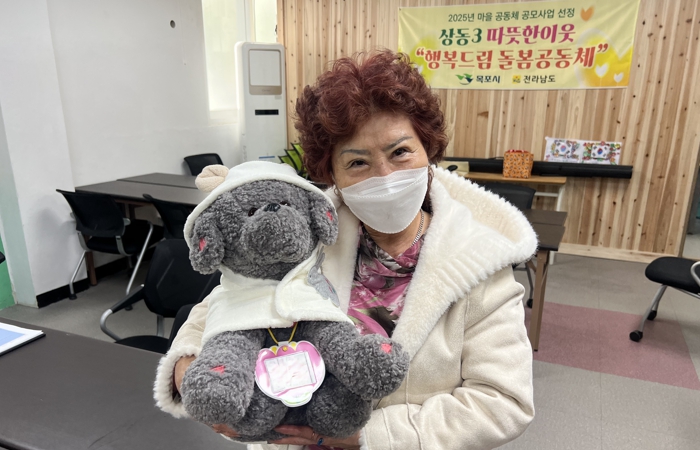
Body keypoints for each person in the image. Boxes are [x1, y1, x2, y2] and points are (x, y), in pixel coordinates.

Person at [154, 50, 537, 450]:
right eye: (357, 162)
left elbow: (502, 404)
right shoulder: (307, 233)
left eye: (400, 152)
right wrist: (188, 364)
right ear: (331, 174)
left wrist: (365, 435)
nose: (384, 176)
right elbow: (226, 303)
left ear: (429, 150)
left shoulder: (481, 261)